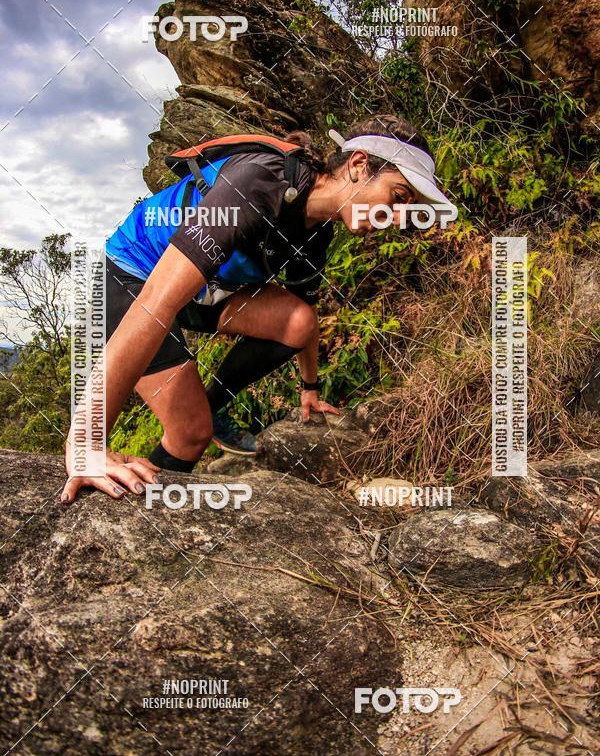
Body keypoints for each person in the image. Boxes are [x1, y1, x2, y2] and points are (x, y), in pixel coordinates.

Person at [61, 114, 456, 503]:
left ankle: (213, 407)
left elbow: (306, 316)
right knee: (189, 433)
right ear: (358, 164)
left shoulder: (318, 233)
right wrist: (85, 445)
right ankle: (133, 510)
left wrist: (310, 388)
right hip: (136, 275)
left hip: (208, 290)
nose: (394, 218)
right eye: (398, 198)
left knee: (299, 320)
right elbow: (155, 304)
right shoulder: (258, 180)